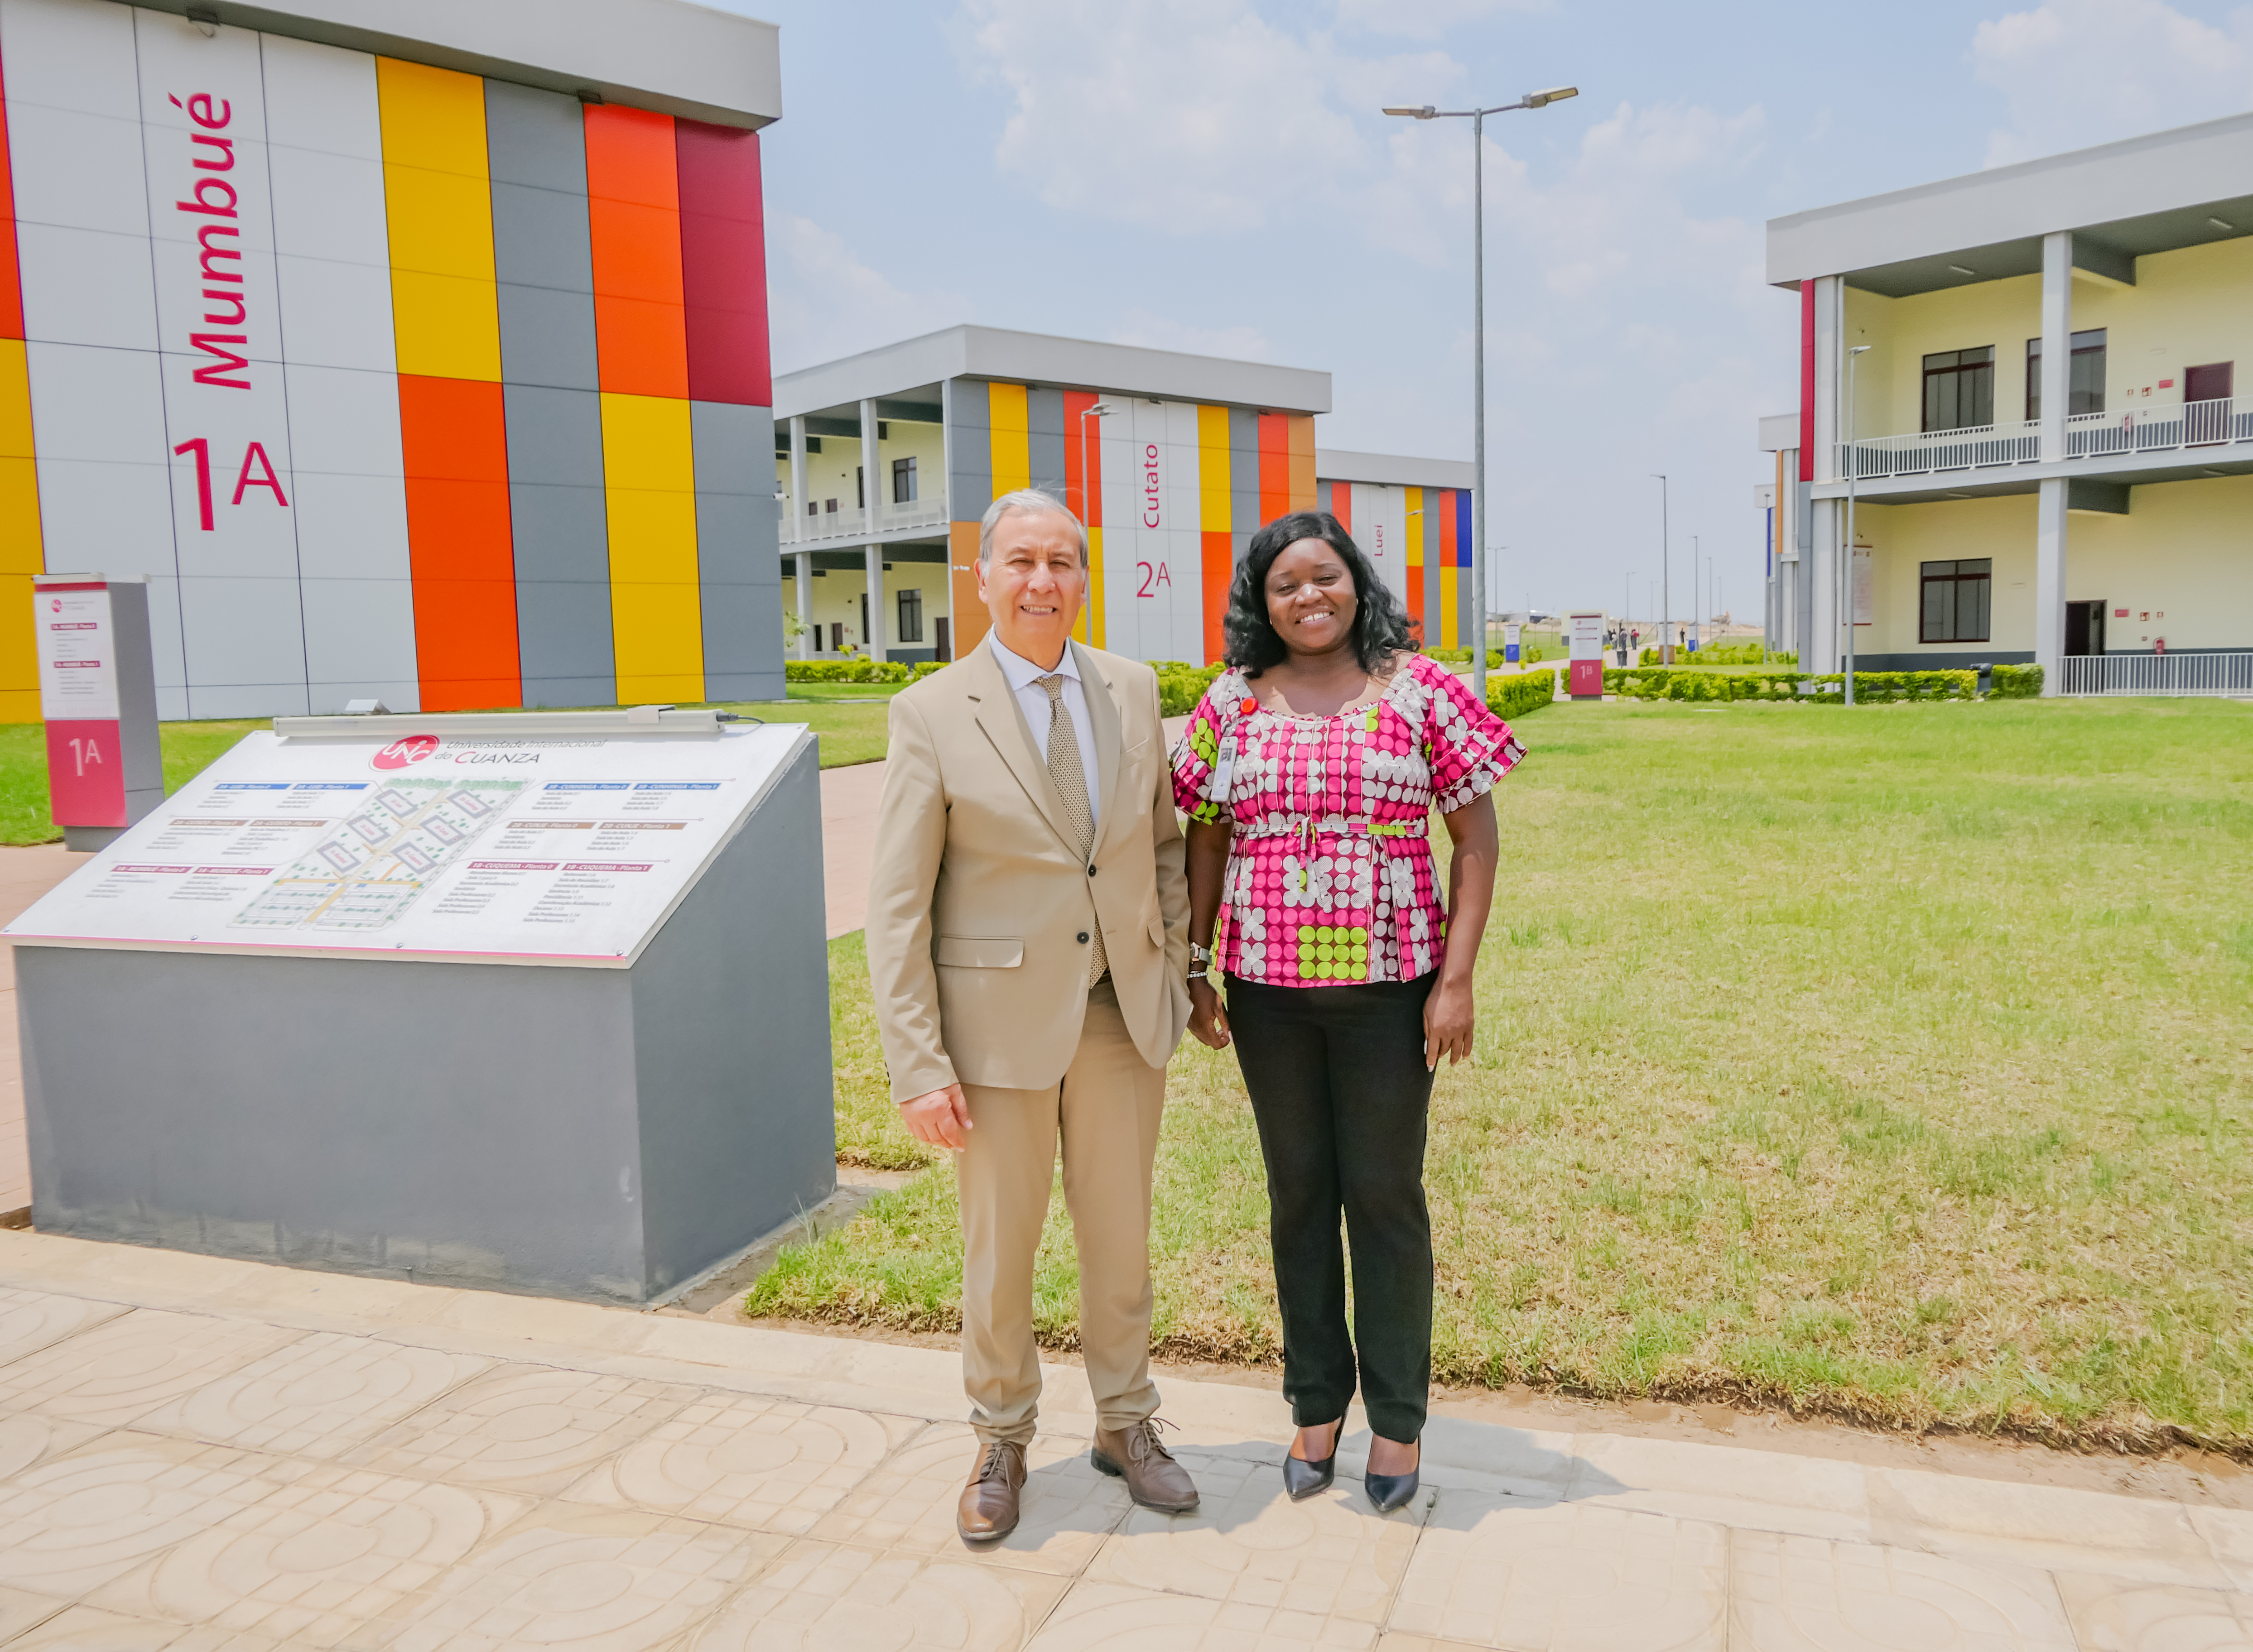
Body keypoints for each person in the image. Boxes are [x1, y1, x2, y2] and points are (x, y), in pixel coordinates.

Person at [1170, 511, 1521, 1515]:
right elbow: (1203, 837)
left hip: (1389, 994)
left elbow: (1476, 838)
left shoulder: (1421, 690)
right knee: (1297, 1198)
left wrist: (1455, 981)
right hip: (1268, 995)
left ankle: (1399, 1421)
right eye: (1285, 585)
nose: (1308, 598)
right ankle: (1317, 1404)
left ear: (1355, 583)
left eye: (1324, 577)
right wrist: (1196, 966)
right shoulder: (1230, 705)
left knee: (1383, 1197)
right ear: (1260, 602)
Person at [866, 488, 1198, 1544]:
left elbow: (1158, 845)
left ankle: (1127, 1423)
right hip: (997, 1030)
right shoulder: (931, 712)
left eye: (1063, 563)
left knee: (1120, 1239)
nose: (1043, 582)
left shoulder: (1131, 689)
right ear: (983, 576)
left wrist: (1177, 966)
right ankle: (1002, 1436)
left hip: (1118, 1016)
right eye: (1022, 563)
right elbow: (898, 903)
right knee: (1000, 1250)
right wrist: (919, 1062)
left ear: (1084, 579)